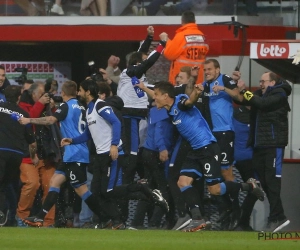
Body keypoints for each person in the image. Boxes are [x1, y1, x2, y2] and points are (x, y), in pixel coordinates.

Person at [137, 80, 264, 232]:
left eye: (156, 95)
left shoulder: (180, 103)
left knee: (215, 190)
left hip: (208, 148)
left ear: (165, 96)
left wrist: (196, 93)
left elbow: (190, 102)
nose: (154, 98)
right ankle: (197, 219)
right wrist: (144, 87)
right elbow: (158, 95)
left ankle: (250, 186)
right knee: (183, 182)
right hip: (195, 150)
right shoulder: (168, 104)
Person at [62, 79, 169, 226]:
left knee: (108, 191)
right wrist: (72, 141)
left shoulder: (100, 105)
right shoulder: (89, 109)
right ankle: (119, 218)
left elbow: (116, 122)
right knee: (98, 193)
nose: (78, 93)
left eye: (80, 90)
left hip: (110, 155)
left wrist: (114, 145)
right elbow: (89, 134)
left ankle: (140, 191)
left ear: (88, 92)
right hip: (100, 156)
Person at [18, 80, 117, 228]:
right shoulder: (82, 107)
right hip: (73, 153)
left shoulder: (66, 106)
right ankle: (39, 217)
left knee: (81, 190)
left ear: (63, 93)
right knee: (54, 182)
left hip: (75, 153)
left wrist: (29, 120)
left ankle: (106, 219)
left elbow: (51, 120)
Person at [235, 72, 291, 232]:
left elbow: (262, 104)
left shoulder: (279, 95)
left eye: (263, 81)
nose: (260, 84)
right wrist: (236, 85)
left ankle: (277, 217)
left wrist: (245, 90)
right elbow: (244, 99)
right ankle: (278, 216)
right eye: (259, 81)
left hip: (273, 145)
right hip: (259, 145)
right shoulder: (262, 94)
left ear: (273, 82)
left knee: (272, 182)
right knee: (264, 182)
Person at [200, 59, 242, 230]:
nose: (207, 72)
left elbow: (239, 96)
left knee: (226, 173)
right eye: (205, 70)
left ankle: (236, 212)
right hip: (211, 135)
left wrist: (224, 88)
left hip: (225, 132)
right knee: (213, 175)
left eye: (209, 69)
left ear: (217, 69)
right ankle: (225, 210)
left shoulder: (224, 79)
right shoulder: (205, 85)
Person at [17, 82, 57, 227]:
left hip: (47, 155)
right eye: (41, 95)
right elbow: (29, 119)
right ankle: (21, 218)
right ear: (33, 94)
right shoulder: (23, 106)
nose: (44, 98)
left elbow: (56, 125)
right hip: (28, 155)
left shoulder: (48, 107)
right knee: (32, 184)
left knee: (51, 187)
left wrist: (52, 107)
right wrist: (40, 103)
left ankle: (48, 222)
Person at [0, 85, 36, 226]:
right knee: (9, 184)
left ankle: (3, 213)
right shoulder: (23, 114)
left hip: (1, 150)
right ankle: (12, 216)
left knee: (2, 185)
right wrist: (33, 156)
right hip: (16, 154)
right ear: (19, 97)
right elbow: (32, 142)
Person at [162, 11, 209, 85]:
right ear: (195, 22)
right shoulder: (202, 36)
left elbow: (169, 54)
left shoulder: (181, 36)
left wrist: (166, 40)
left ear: (182, 21)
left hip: (181, 80)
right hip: (198, 81)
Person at [232, 105, 258, 231]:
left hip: (237, 157)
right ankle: (242, 222)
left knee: (251, 189)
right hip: (248, 158)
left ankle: (241, 221)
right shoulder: (251, 119)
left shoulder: (234, 115)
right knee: (255, 189)